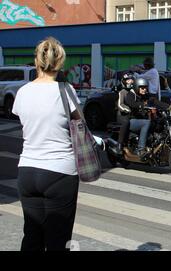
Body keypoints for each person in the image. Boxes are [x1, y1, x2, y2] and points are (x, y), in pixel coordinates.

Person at [11, 37, 80, 251]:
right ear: (60, 63)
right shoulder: (66, 90)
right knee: (58, 240)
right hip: (60, 172)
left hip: (27, 171)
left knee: (32, 236)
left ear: (36, 61)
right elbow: (79, 125)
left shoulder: (22, 92)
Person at [124, 77, 152, 158]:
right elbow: (132, 103)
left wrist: (169, 107)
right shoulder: (130, 95)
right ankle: (141, 149)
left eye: (145, 88)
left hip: (139, 120)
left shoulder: (144, 96)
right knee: (146, 123)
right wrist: (142, 105)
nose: (144, 90)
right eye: (142, 88)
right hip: (131, 120)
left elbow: (155, 101)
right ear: (137, 87)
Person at [114, 72, 135, 154]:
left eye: (131, 79)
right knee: (126, 123)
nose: (130, 81)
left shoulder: (133, 91)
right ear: (125, 81)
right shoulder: (122, 91)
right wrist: (127, 110)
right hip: (122, 115)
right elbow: (120, 105)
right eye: (128, 80)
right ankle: (119, 145)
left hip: (131, 115)